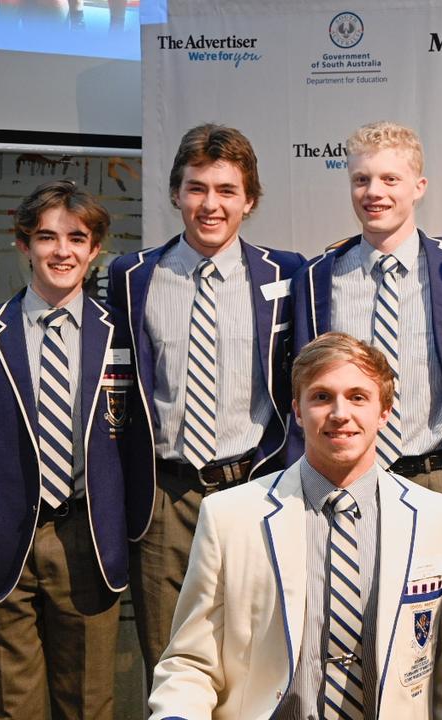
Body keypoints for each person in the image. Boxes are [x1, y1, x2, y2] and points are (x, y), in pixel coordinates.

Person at [148, 332, 442, 719]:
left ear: (384, 412)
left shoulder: (435, 517)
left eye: (358, 397)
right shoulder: (229, 517)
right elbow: (190, 662)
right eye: (321, 396)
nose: (340, 413)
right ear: (299, 411)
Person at [0, 180, 150, 719]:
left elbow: (140, 444)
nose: (62, 251)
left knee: (89, 704)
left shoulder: (122, 333)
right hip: (4, 544)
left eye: (77, 238)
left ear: (95, 248)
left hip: (89, 541)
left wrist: (132, 534)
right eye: (46, 237)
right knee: (12, 705)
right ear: (23, 244)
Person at [108, 123, 305, 673]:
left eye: (226, 191)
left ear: (250, 200)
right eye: (197, 188)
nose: (210, 205)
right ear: (176, 193)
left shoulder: (288, 274)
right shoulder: (133, 276)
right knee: (172, 662)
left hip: (253, 488)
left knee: (258, 659)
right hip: (164, 499)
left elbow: (301, 383)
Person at [290, 121, 442, 523]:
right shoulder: (317, 278)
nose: (374, 192)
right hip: (345, 478)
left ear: (418, 186)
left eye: (390, 179)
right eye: (361, 180)